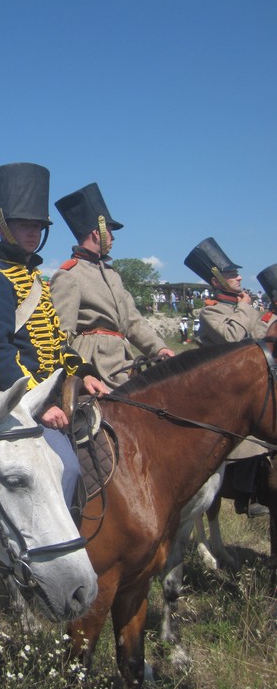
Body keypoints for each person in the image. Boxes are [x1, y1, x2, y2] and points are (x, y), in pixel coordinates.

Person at [0, 162, 108, 511]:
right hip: (10, 402)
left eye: (38, 226)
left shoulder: (36, 281)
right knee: (67, 469)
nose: (33, 232)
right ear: (4, 227)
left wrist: (84, 373)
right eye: (24, 224)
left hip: (47, 396)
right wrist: (36, 405)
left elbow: (57, 345)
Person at [49, 183, 175, 388]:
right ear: (96, 232)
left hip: (123, 360)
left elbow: (133, 320)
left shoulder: (112, 275)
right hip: (93, 363)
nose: (113, 236)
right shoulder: (69, 275)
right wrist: (79, 372)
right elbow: (61, 336)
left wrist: (158, 349)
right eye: (109, 230)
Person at [184, 237, 270, 516]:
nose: (239, 277)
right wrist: (245, 308)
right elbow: (232, 336)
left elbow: (260, 340)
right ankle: (246, 493)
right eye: (232, 273)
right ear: (217, 279)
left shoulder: (246, 310)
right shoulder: (210, 312)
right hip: (219, 389)